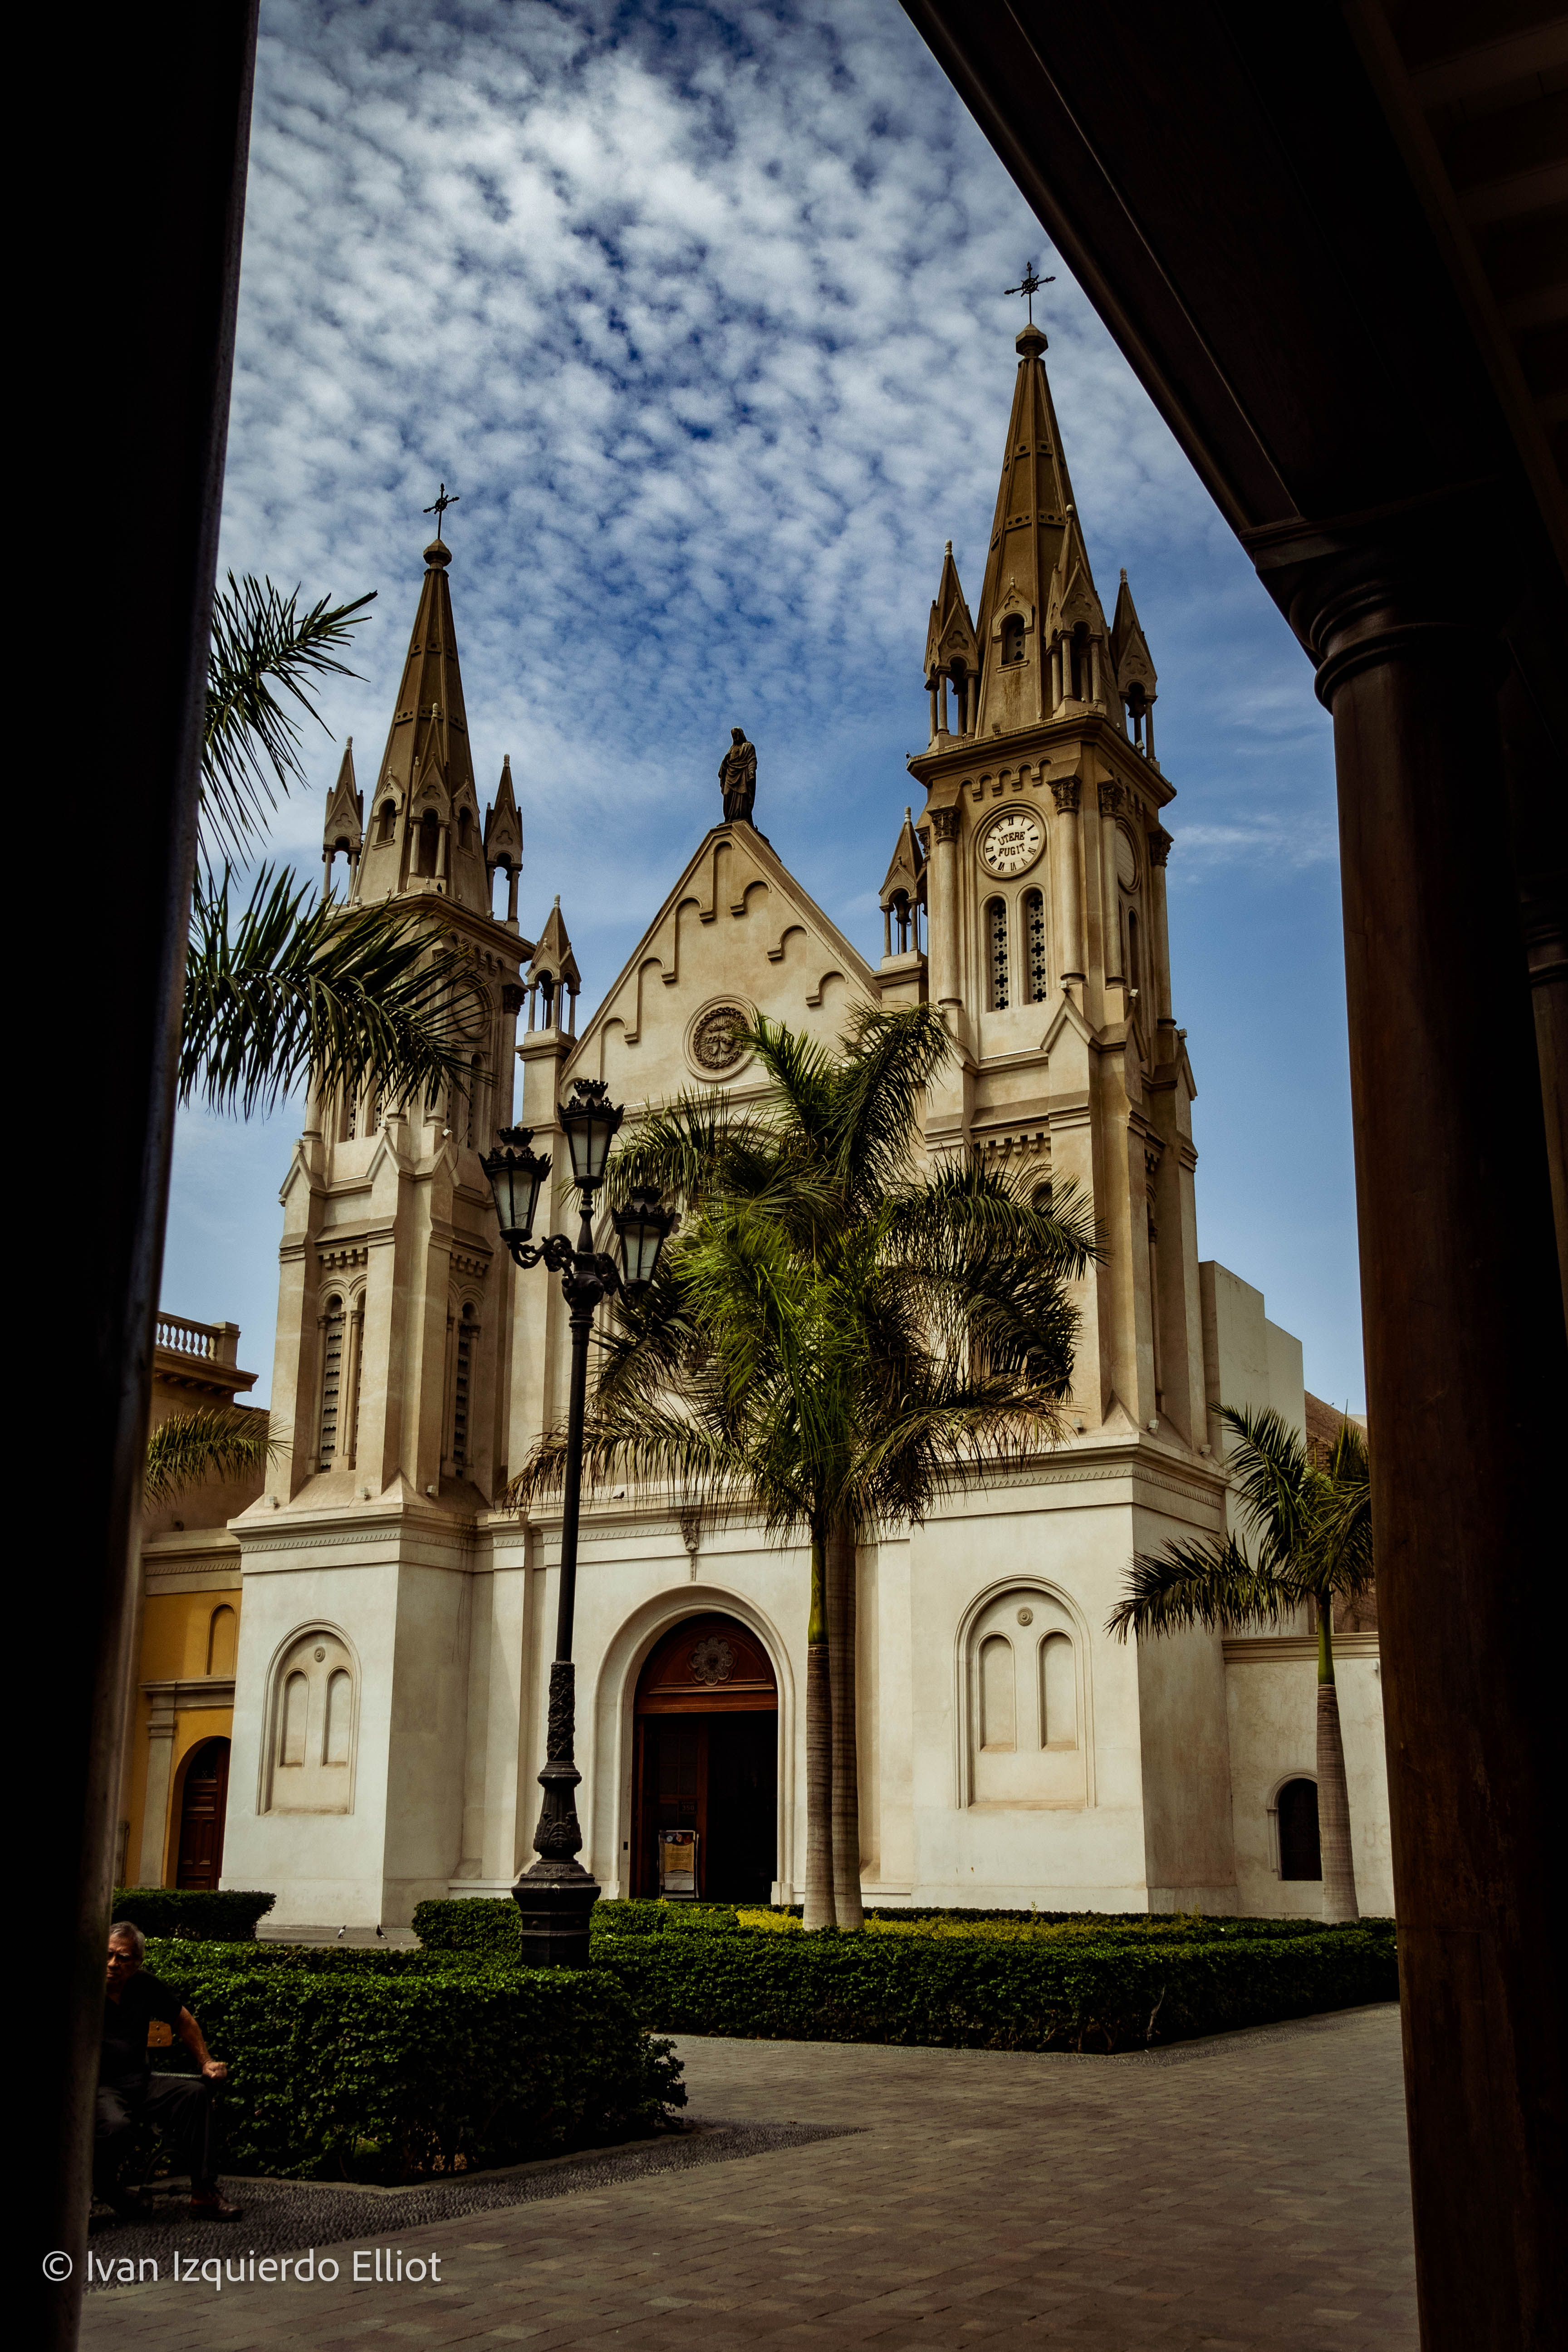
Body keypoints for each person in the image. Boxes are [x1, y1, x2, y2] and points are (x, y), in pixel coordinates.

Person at [96, 1921, 243, 2221]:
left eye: (123, 1957)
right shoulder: (85, 1987)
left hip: (141, 2082)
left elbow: (183, 2020)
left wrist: (205, 2062)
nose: (113, 1963)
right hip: (101, 2088)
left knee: (195, 2095)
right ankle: (109, 2190)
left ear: (138, 1962)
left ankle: (204, 2193)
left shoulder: (144, 1985)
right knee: (116, 2127)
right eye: (108, 1954)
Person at [718, 727, 757, 824]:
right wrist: (725, 762)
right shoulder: (732, 749)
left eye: (736, 735)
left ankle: (741, 817)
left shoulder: (748, 746)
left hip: (742, 774)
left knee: (742, 796)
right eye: (733, 736)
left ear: (741, 735)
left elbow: (752, 760)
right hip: (730, 774)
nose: (735, 737)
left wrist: (751, 772)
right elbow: (725, 764)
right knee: (727, 794)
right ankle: (729, 818)